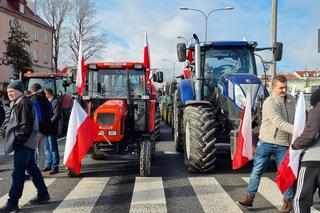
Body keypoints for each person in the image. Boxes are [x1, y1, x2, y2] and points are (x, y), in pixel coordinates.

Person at [236, 75, 296, 213]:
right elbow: (279, 122)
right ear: (273, 88)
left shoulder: (292, 100)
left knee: (286, 173)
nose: (284, 90)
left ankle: (288, 203)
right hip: (266, 143)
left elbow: (295, 118)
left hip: (283, 144)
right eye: (281, 88)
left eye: (285, 87)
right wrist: (298, 130)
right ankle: (249, 199)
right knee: (257, 171)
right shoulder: (269, 102)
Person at [0, 80, 50, 212]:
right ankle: (43, 194)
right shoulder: (20, 102)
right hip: (26, 143)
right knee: (32, 169)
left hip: (24, 143)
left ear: (19, 91)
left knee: (18, 173)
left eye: (12, 91)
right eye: (8, 91)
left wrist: (18, 140)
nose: (9, 93)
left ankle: (12, 202)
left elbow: (25, 125)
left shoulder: (23, 103)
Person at [292, 88, 320, 213]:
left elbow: (311, 133)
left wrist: (295, 146)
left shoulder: (317, 110)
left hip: (313, 160)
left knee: (301, 201)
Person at [30, 83, 52, 170]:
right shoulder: (47, 101)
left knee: (33, 150)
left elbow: (38, 116)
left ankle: (34, 168)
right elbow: (50, 114)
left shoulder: (34, 100)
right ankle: (41, 167)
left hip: (37, 129)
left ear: (33, 90)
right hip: (45, 129)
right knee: (41, 149)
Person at [43, 88, 61, 175]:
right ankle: (49, 164)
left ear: (48, 93)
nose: (44, 95)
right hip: (46, 128)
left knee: (53, 148)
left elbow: (57, 115)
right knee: (47, 147)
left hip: (52, 128)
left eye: (44, 93)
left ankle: (55, 166)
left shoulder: (55, 102)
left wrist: (48, 122)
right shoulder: (46, 102)